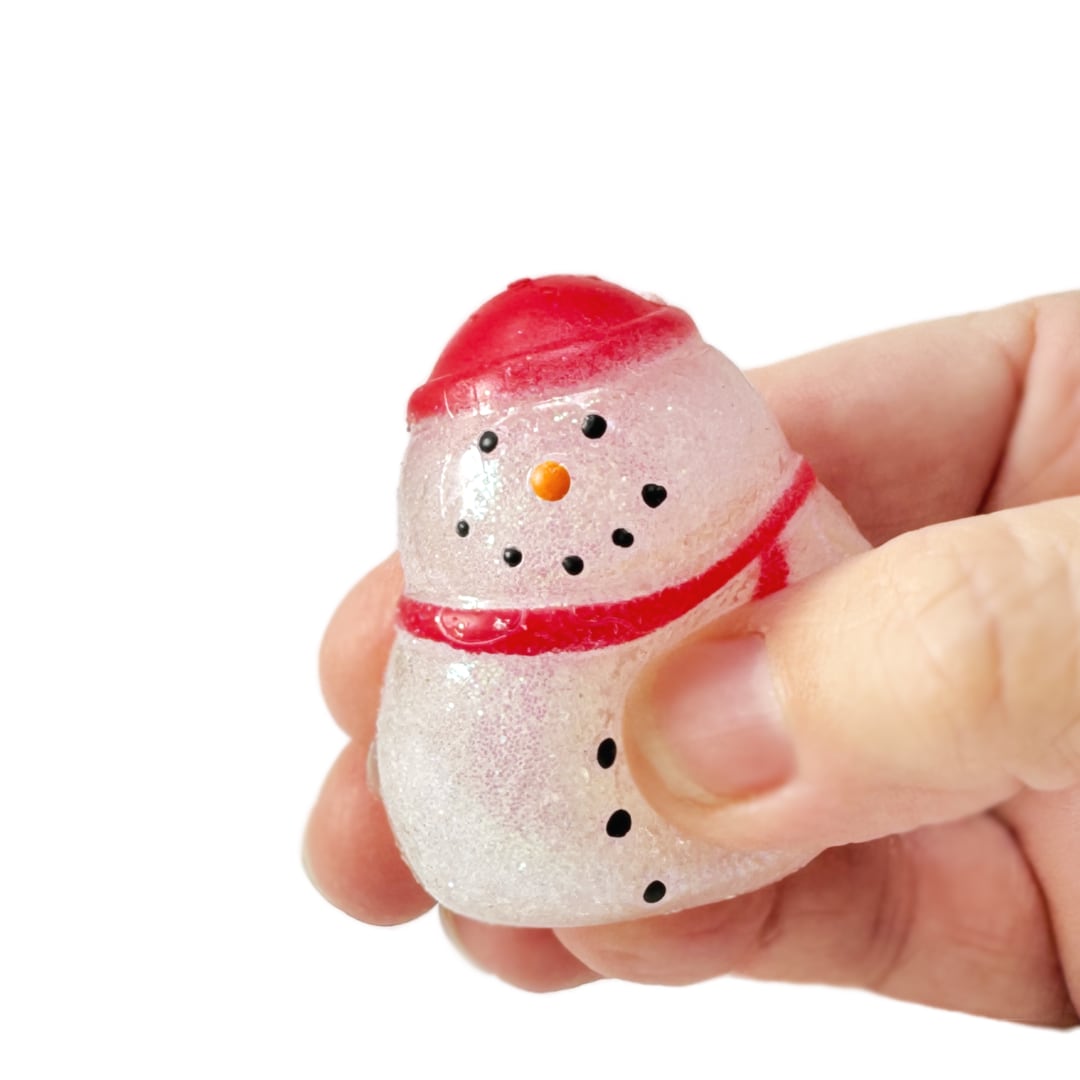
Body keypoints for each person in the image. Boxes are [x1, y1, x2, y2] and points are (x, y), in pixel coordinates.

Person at [304, 294, 1080, 1026]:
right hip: (529, 855)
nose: (551, 478)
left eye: (597, 431)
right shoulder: (460, 631)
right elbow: (431, 744)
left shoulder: (771, 537)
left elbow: (855, 591)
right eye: (494, 449)